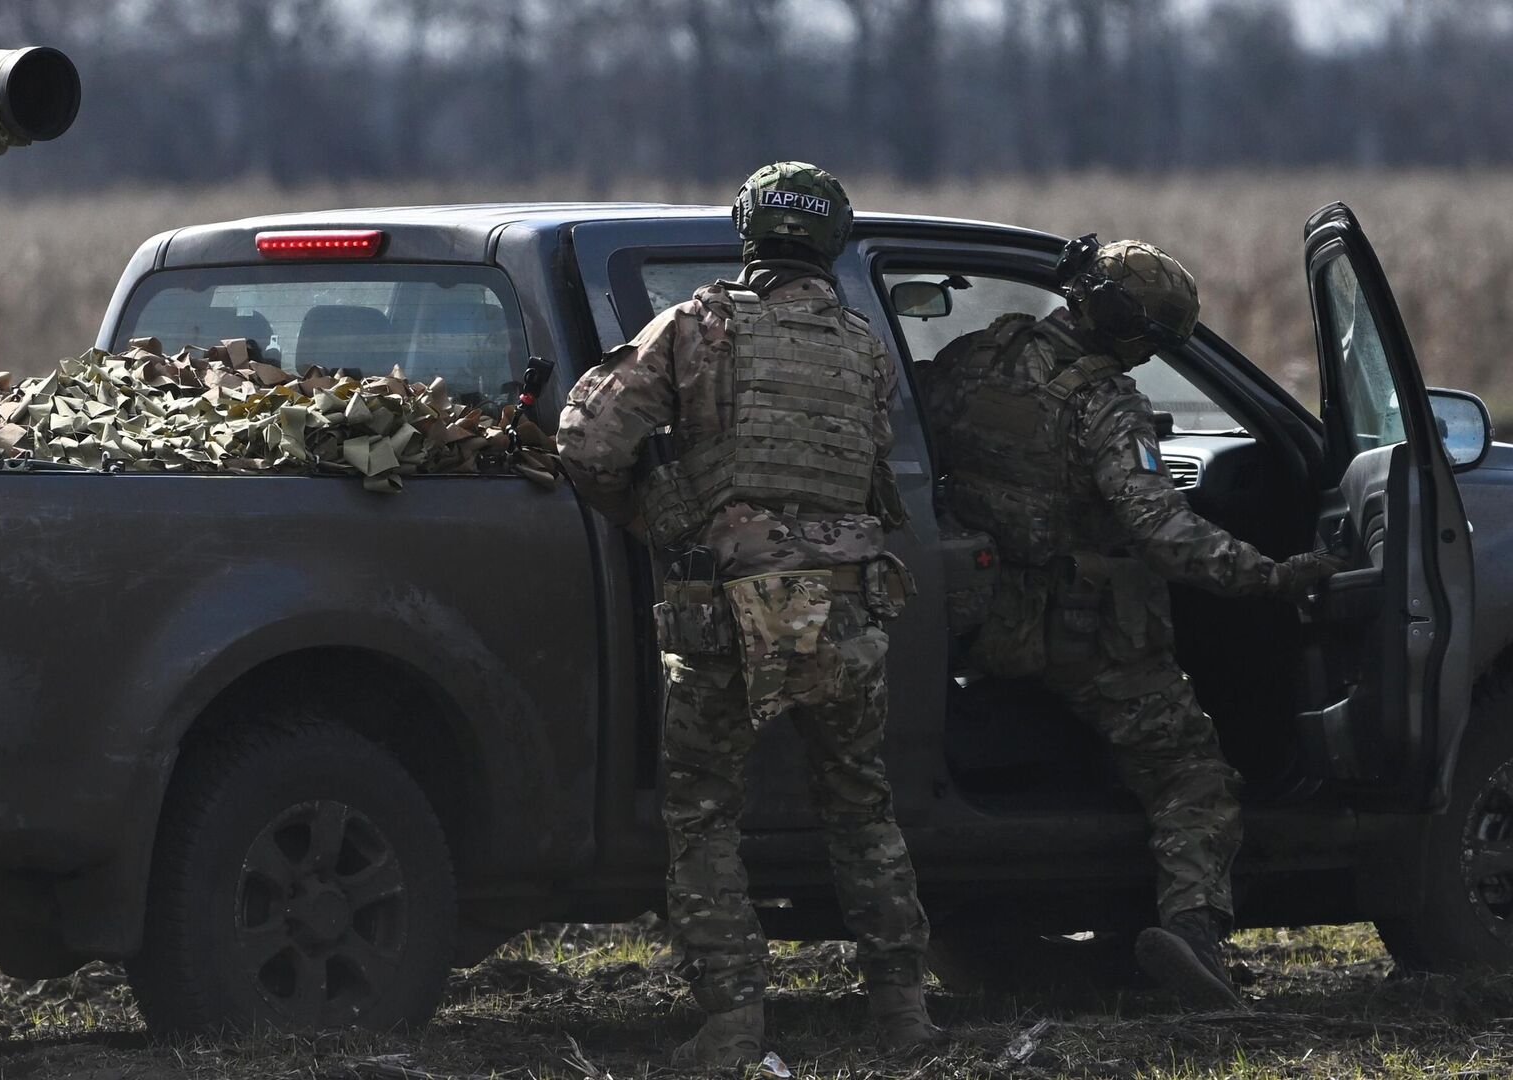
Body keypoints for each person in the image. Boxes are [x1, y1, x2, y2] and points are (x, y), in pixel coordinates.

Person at [558, 162, 943, 1065]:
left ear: (748, 230)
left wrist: (649, 513)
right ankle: (904, 1017)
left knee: (703, 815)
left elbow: (588, 440)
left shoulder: (698, 326)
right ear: (832, 241)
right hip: (846, 611)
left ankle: (732, 1023)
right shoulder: (862, 345)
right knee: (861, 812)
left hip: (725, 609)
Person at [917, 235, 1345, 1008]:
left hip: (983, 618)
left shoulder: (976, 356)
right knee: (1194, 775)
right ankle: (1193, 935)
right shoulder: (1105, 405)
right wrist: (1273, 577)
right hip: (1081, 634)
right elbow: (1165, 535)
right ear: (1130, 332)